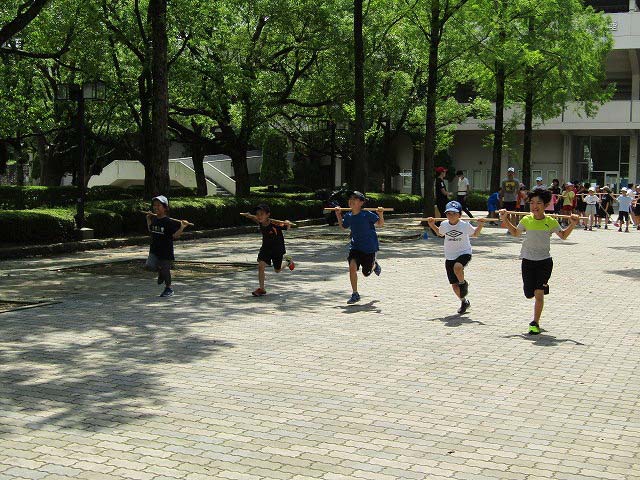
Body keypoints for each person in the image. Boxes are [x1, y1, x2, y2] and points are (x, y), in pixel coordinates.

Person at [499, 189, 579, 335]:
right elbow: (516, 233)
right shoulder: (526, 220)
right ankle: (534, 297)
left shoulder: (551, 221)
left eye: (539, 203)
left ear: (546, 205)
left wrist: (572, 224)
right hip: (528, 261)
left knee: (539, 293)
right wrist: (505, 219)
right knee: (529, 294)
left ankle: (535, 322)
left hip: (544, 263)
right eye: (532, 203)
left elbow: (563, 236)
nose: (535, 206)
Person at [426, 201, 486, 314]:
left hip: (464, 252)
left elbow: (475, 234)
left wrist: (480, 225)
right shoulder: (444, 224)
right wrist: (432, 225)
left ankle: (463, 283)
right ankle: (464, 301)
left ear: (460, 215)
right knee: (454, 285)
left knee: (457, 267)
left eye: (454, 213)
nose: (451, 216)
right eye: (449, 213)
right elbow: (440, 233)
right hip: (450, 255)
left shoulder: (464, 225)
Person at [334, 191, 384, 304]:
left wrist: (380, 213)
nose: (351, 201)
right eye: (350, 198)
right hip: (355, 247)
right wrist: (338, 214)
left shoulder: (367, 214)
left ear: (361, 203)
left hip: (369, 248)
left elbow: (380, 224)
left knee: (366, 273)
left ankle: (374, 265)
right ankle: (355, 293)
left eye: (355, 199)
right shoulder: (349, 216)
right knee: (352, 267)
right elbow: (343, 226)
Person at [145, 195, 190, 297]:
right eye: (154, 205)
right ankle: (161, 272)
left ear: (165, 208)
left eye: (159, 205)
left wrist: (182, 227)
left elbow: (175, 235)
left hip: (166, 250)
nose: (156, 207)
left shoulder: (168, 222)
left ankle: (168, 288)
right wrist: (148, 219)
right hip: (154, 249)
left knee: (165, 269)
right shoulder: (155, 219)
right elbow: (151, 229)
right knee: (149, 266)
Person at [245, 204, 294, 297]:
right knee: (261, 266)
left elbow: (287, 227)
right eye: (257, 214)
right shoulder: (260, 221)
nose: (259, 216)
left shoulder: (275, 224)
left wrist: (287, 222)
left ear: (268, 215)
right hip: (266, 248)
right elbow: (254, 218)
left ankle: (288, 262)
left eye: (261, 214)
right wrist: (249, 215)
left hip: (277, 249)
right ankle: (262, 289)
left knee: (277, 270)